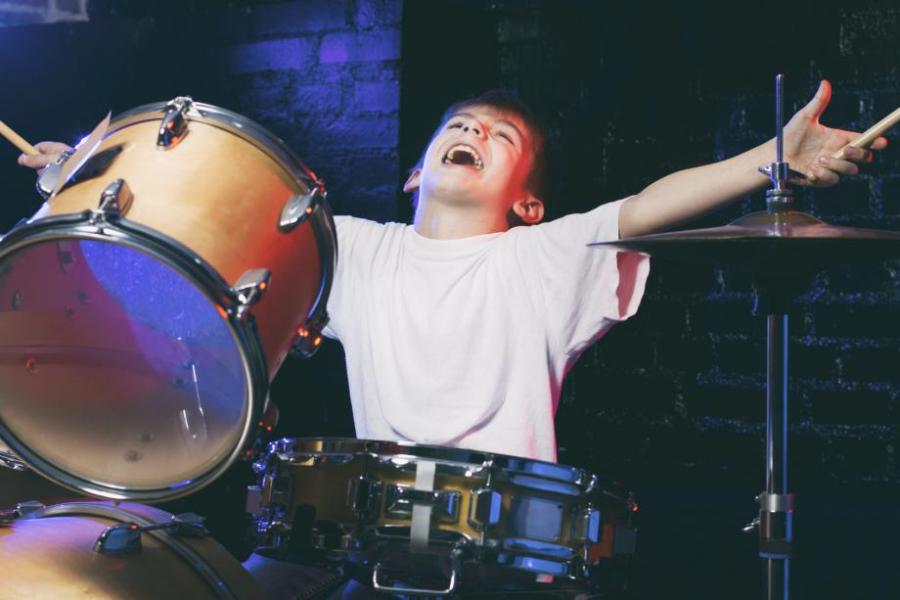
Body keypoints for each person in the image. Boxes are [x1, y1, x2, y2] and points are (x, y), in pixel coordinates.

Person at [18, 82, 886, 464]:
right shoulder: (355, 247)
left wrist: (770, 158)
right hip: (368, 529)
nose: (473, 132)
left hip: (505, 547)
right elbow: (208, 218)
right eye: (460, 126)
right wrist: (91, 173)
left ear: (528, 203)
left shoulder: (541, 257)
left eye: (500, 137)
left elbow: (649, 205)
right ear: (414, 173)